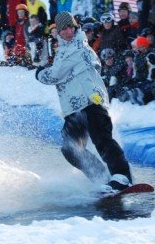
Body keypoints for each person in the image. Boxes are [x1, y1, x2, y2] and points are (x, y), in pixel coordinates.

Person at [35, 12, 133, 191]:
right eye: (63, 28)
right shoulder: (63, 50)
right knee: (70, 148)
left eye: (70, 27)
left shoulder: (78, 46)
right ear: (58, 31)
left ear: (75, 27)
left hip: (91, 102)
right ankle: (101, 176)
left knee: (102, 140)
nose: (68, 31)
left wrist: (39, 72)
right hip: (74, 108)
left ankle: (123, 175)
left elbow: (55, 74)